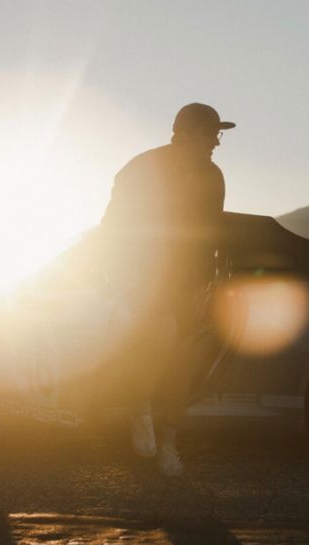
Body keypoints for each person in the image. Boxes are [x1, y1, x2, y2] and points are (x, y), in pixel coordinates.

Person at [100, 103, 235, 476]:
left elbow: (214, 230)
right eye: (211, 134)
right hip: (142, 279)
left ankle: (170, 443)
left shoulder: (213, 175)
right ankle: (139, 408)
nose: (216, 143)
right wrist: (117, 275)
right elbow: (113, 227)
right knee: (160, 339)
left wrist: (213, 277)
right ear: (187, 132)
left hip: (190, 282)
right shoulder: (142, 168)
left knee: (182, 362)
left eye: (218, 135)